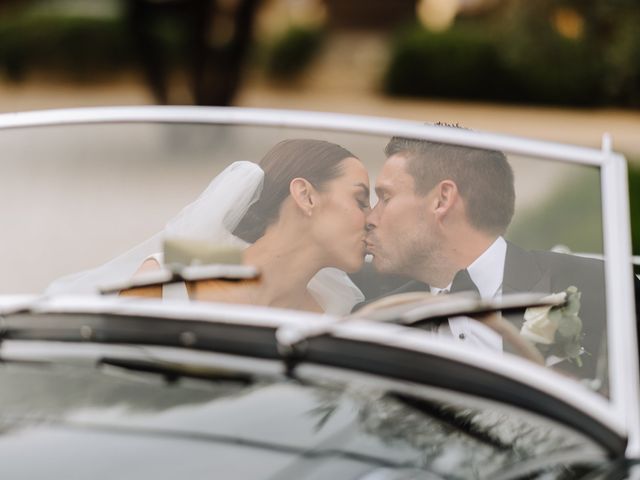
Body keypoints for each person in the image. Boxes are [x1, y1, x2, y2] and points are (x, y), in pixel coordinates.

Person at [363, 132, 622, 378]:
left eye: (385, 197)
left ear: (442, 199)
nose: (371, 218)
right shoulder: (375, 324)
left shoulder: (601, 287)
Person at [48, 139, 370, 315]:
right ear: (305, 196)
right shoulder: (171, 284)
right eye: (360, 200)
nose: (371, 219)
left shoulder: (333, 312)